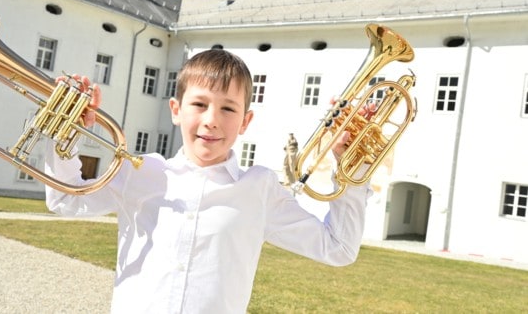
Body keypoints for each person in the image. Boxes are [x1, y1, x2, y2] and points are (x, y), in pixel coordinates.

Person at [45, 49, 373, 314]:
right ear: (176, 109)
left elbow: (338, 248)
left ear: (245, 121)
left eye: (228, 109)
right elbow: (66, 201)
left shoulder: (259, 188)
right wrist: (65, 131)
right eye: (199, 104)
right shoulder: (141, 171)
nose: (212, 120)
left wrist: (353, 167)